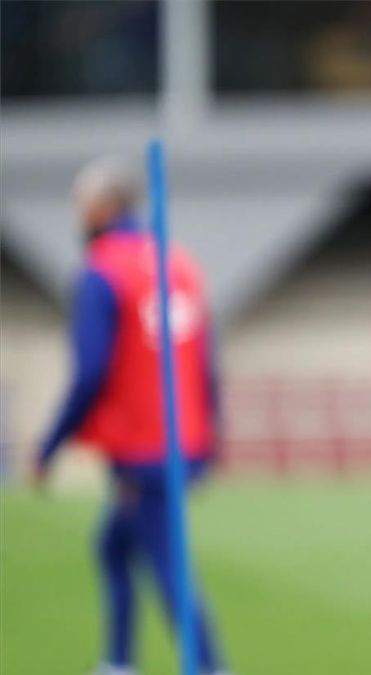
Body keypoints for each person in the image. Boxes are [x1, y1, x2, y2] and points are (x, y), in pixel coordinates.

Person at [34, 156, 229, 675]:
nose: (78, 215)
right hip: (182, 439)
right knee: (114, 547)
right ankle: (118, 662)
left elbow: (90, 371)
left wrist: (49, 447)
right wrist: (210, 439)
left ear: (103, 206)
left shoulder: (101, 273)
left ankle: (208, 666)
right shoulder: (180, 263)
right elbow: (208, 364)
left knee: (167, 567)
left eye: (81, 205)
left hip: (142, 446)